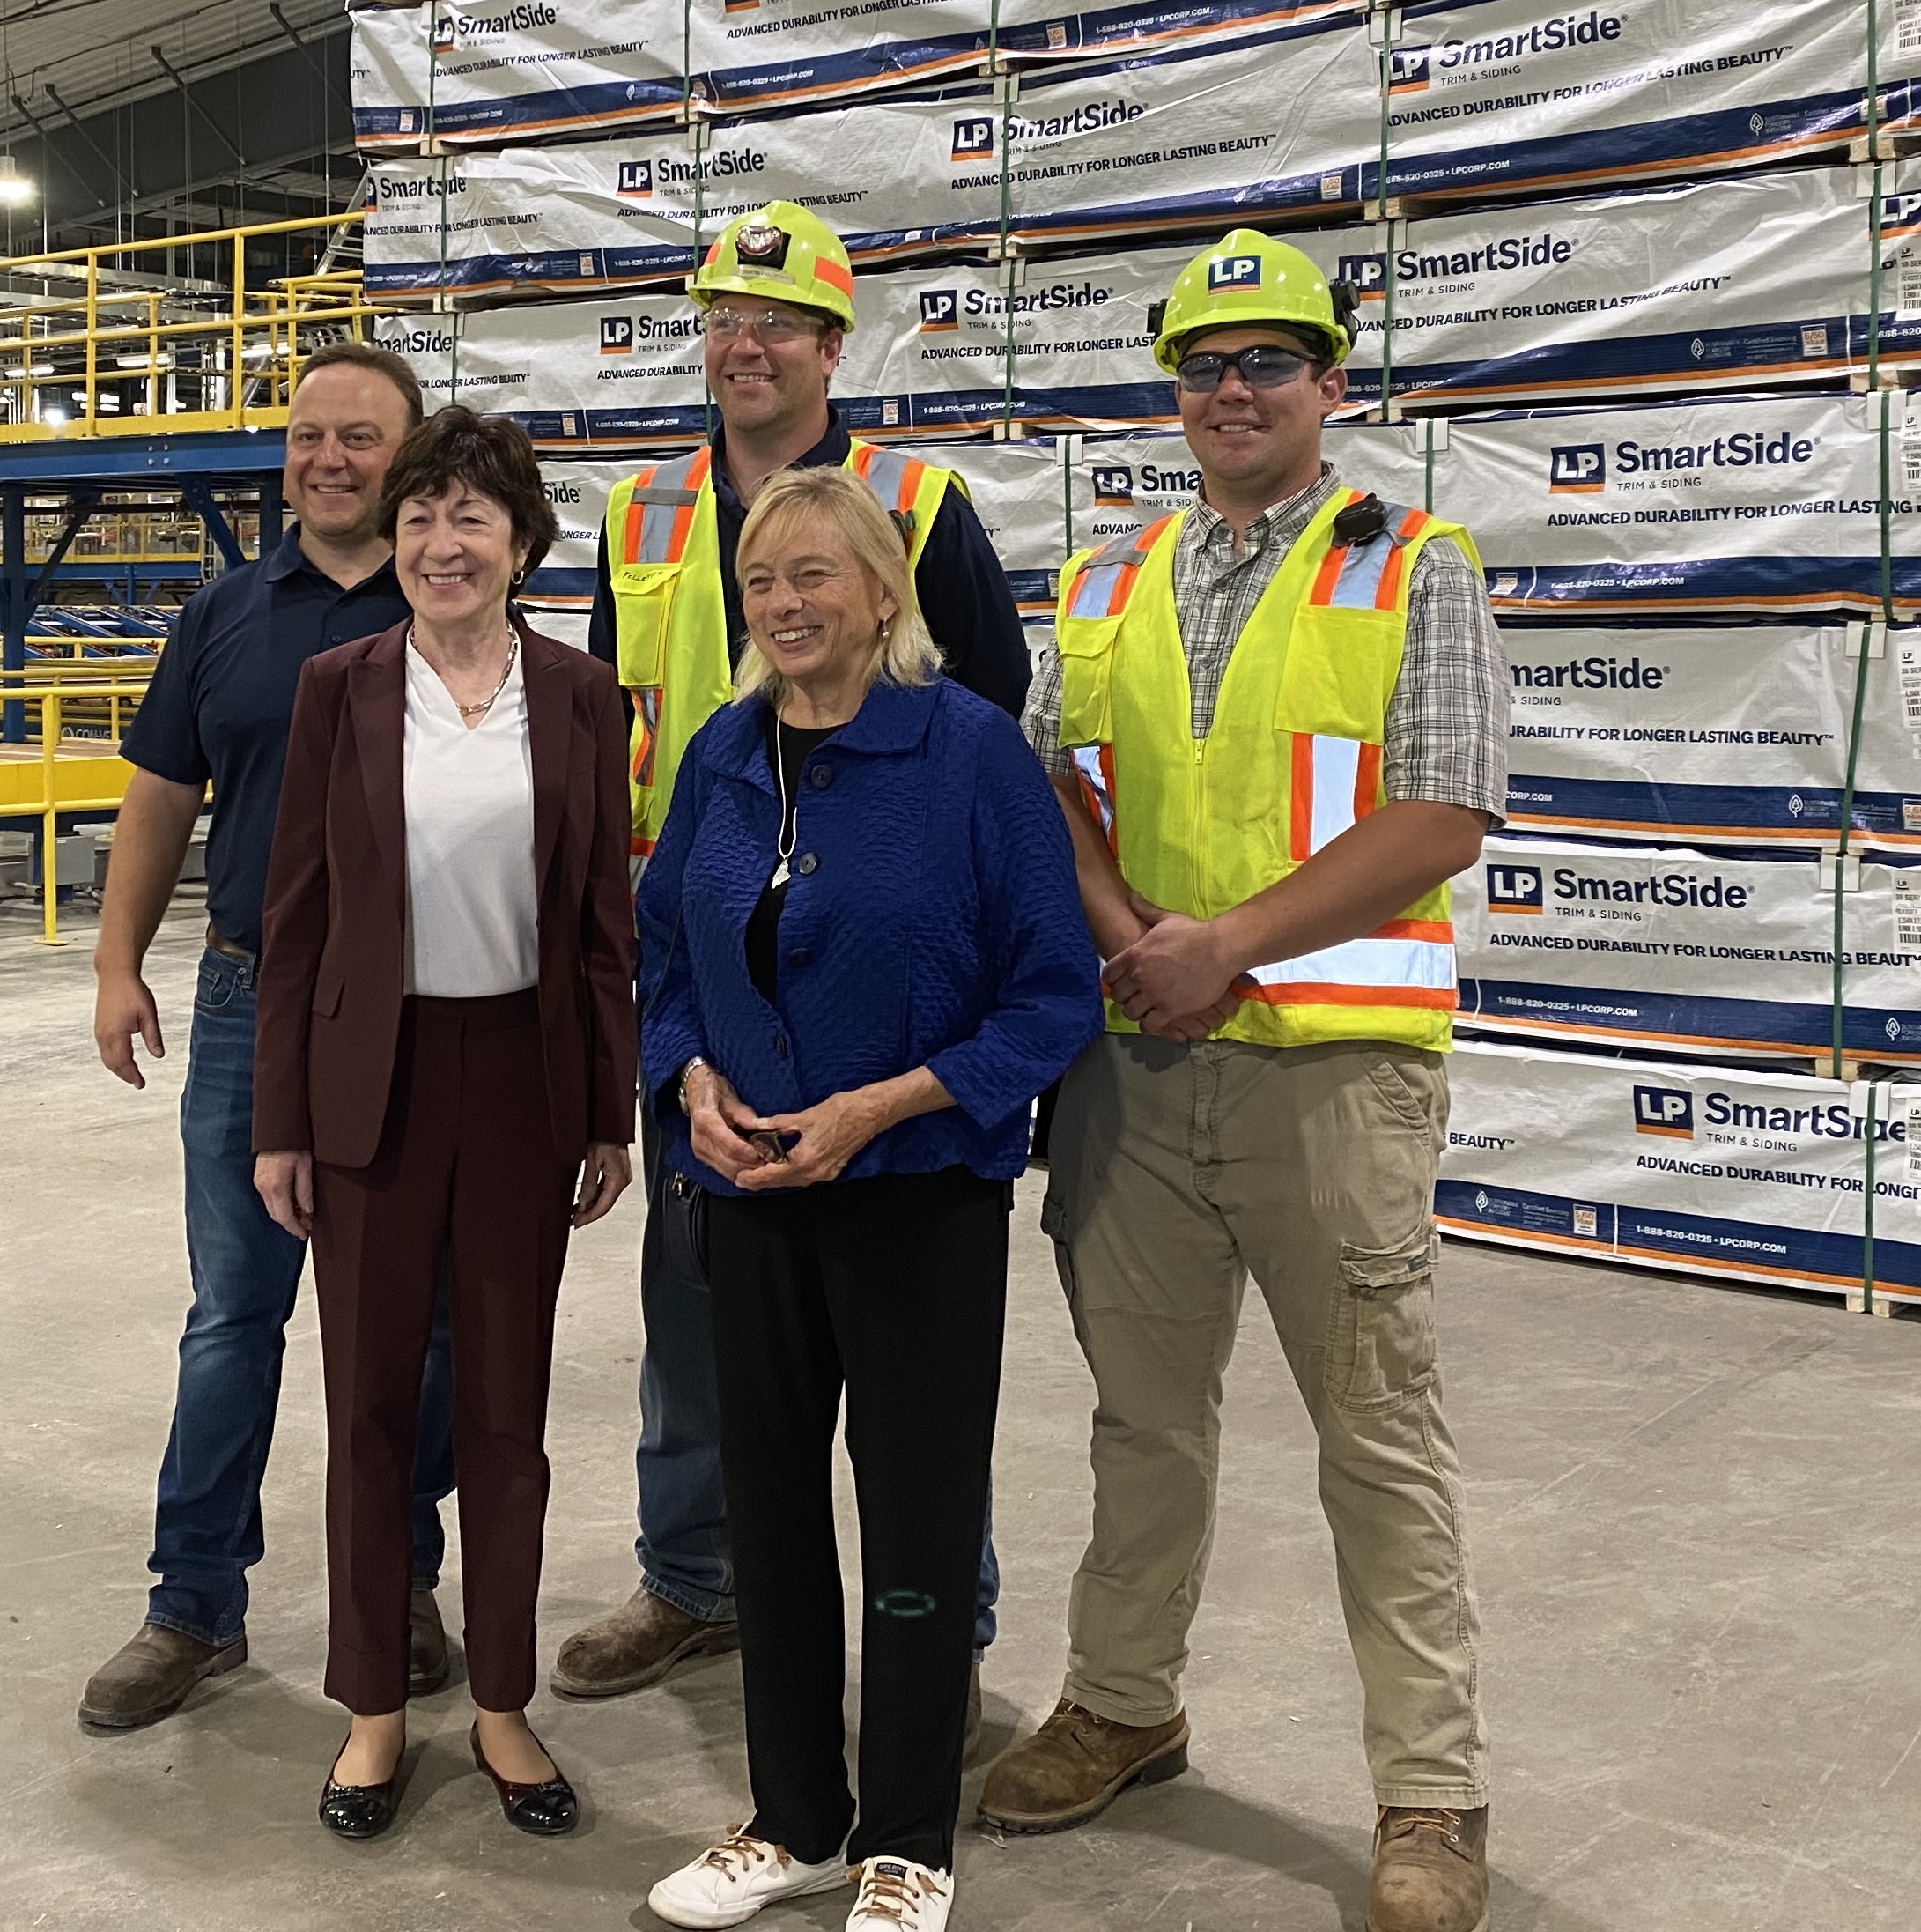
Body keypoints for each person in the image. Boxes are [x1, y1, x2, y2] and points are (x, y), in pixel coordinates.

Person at [975, 232, 1507, 1932]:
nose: (1232, 391)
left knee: (1379, 1442)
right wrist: (1137, 934)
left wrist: (1234, 948)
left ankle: (1429, 1792)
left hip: (1334, 1083)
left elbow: (1439, 815)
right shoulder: (1106, 576)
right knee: (1145, 1428)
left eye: (1269, 362)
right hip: (1138, 1075)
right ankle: (1126, 1706)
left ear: (1329, 386)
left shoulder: (1416, 566)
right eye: (1204, 367)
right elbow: (1051, 784)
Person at [561, 197, 1033, 1703]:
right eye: (722, 316)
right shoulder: (639, 520)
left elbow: (989, 738)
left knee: (911, 1362)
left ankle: (937, 1630)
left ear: (838, 345)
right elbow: (589, 745)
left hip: (885, 990)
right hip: (702, 983)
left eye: (777, 322)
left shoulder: (922, 502)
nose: (744, 342)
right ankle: (694, 1580)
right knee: (696, 1314)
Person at [635, 470, 1094, 1932]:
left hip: (915, 1194)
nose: (787, 604)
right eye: (765, 581)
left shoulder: (964, 752)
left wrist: (884, 1107)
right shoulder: (723, 750)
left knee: (914, 1518)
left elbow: (1052, 995)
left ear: (884, 595)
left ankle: (907, 1839)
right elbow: (658, 962)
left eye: (817, 576)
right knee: (767, 1513)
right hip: (750, 1192)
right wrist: (692, 1081)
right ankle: (793, 1819)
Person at [250, 407, 639, 1840]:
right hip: (376, 1081)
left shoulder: (583, 696)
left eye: (471, 516)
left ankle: (501, 1704)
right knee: (362, 1405)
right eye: (419, 516)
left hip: (524, 1082)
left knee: (504, 1413)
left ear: (523, 542)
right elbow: (294, 922)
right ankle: (371, 1711)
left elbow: (605, 915)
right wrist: (278, 1119)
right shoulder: (338, 688)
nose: (438, 541)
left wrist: (612, 1106)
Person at [81, 343, 462, 1736]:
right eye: (310, 435)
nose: (330, 459)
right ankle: (192, 1606)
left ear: (411, 457)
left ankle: (400, 1580)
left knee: (416, 1329)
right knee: (234, 1321)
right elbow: (159, 795)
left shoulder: (461, 619)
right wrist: (118, 964)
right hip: (256, 1005)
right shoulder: (224, 615)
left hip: (425, 1010)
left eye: (362, 437)